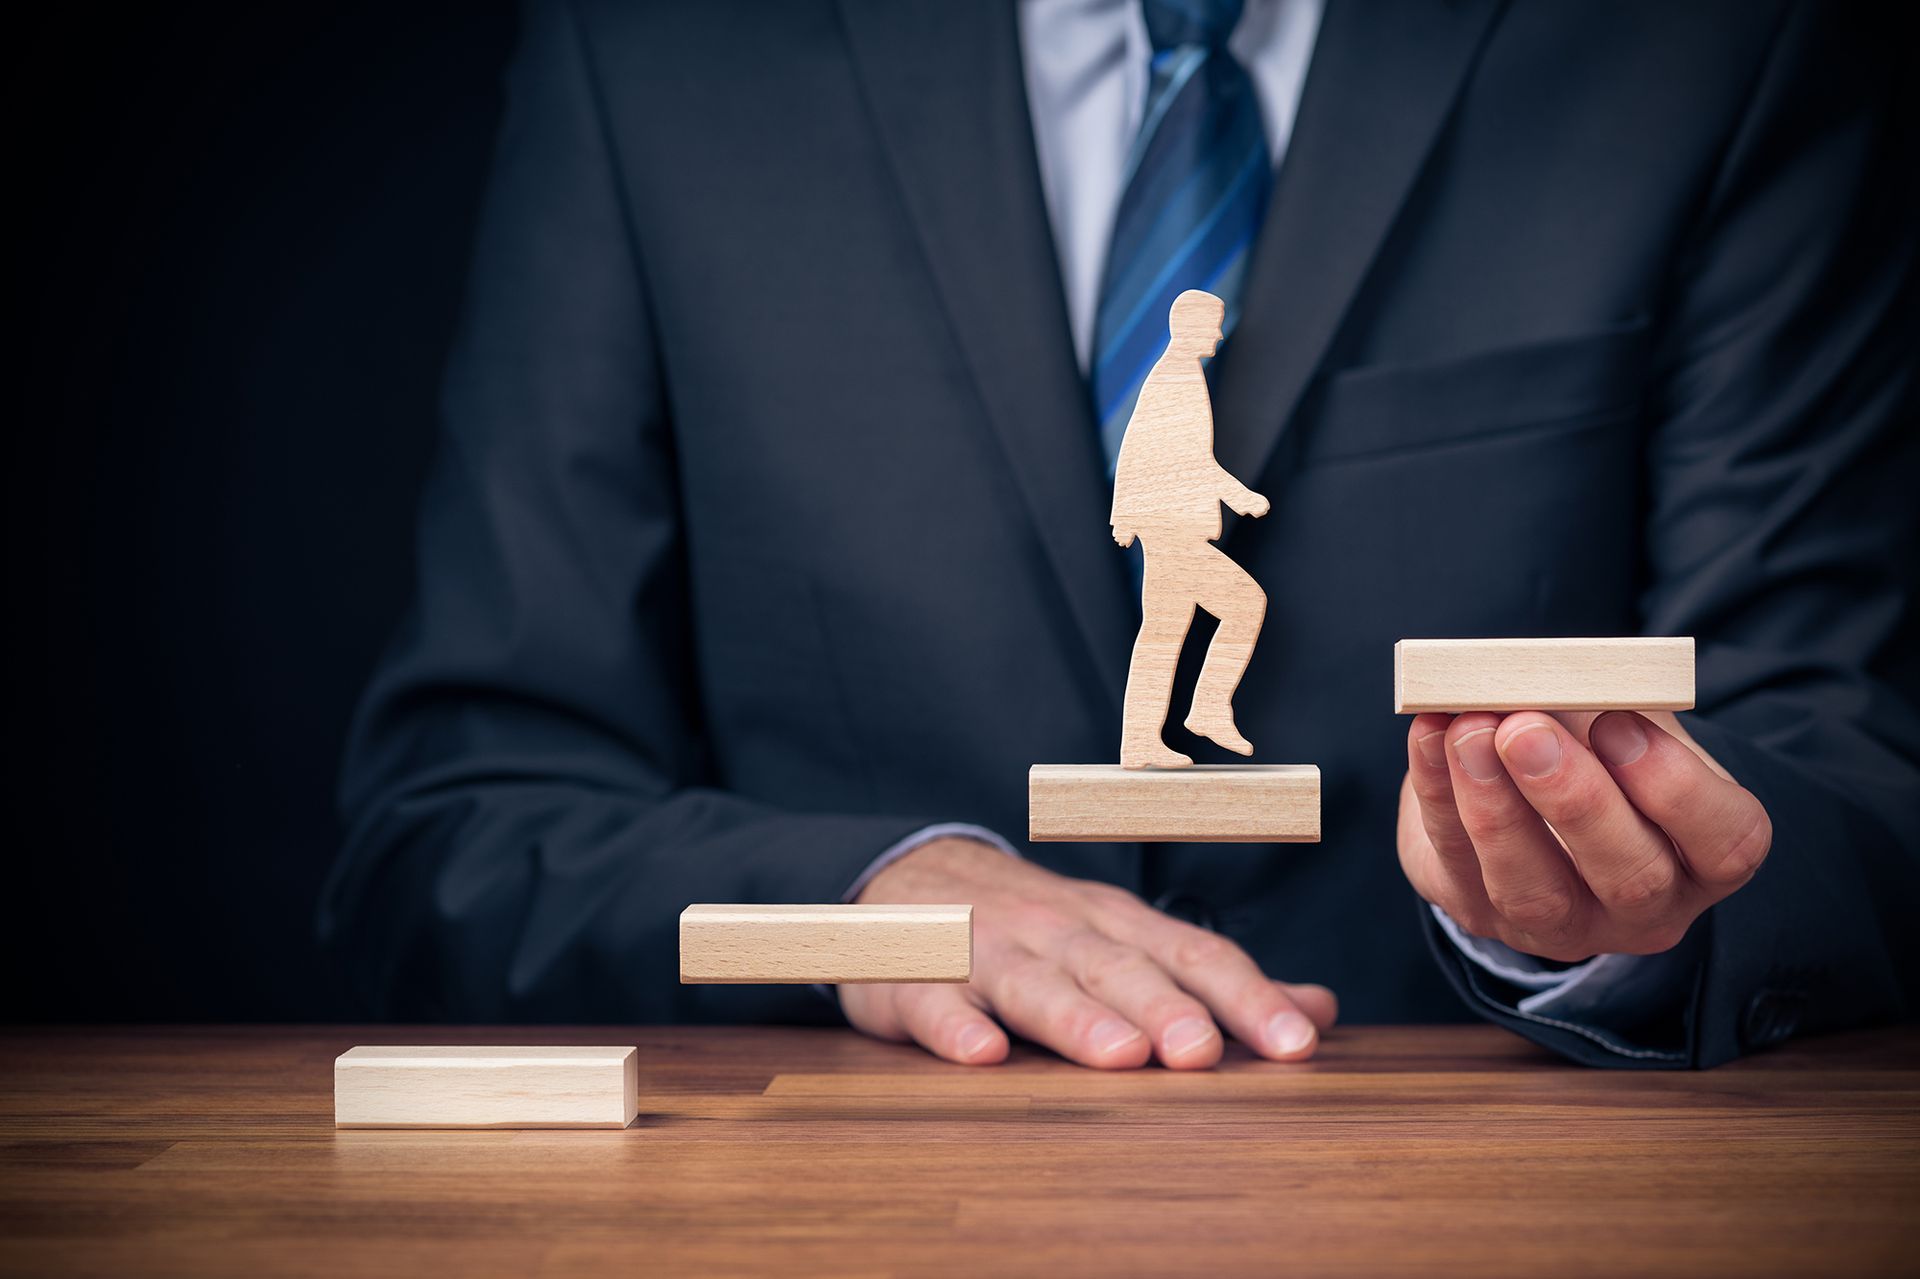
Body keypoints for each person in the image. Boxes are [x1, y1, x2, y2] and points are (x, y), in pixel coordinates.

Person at [321, 0, 1919, 1071]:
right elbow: (455, 834)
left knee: (1194, 611)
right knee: (1194, 609)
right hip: (850, 1220)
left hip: (1471, 1195)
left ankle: (1192, 707)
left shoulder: (1710, 47)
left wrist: (1629, 915)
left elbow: (1835, 758)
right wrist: (856, 899)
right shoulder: (659, 58)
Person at [1111, 290, 1270, 769]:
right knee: (1244, 605)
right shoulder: (1176, 379)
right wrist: (1241, 496)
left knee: (1162, 633)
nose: (1219, 335)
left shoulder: (1177, 376)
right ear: (1186, 327)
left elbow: (1139, 446)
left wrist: (1124, 514)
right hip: (1172, 530)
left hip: (1165, 527)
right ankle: (1204, 709)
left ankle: (1145, 736)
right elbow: (1184, 462)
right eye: (1212, 325)